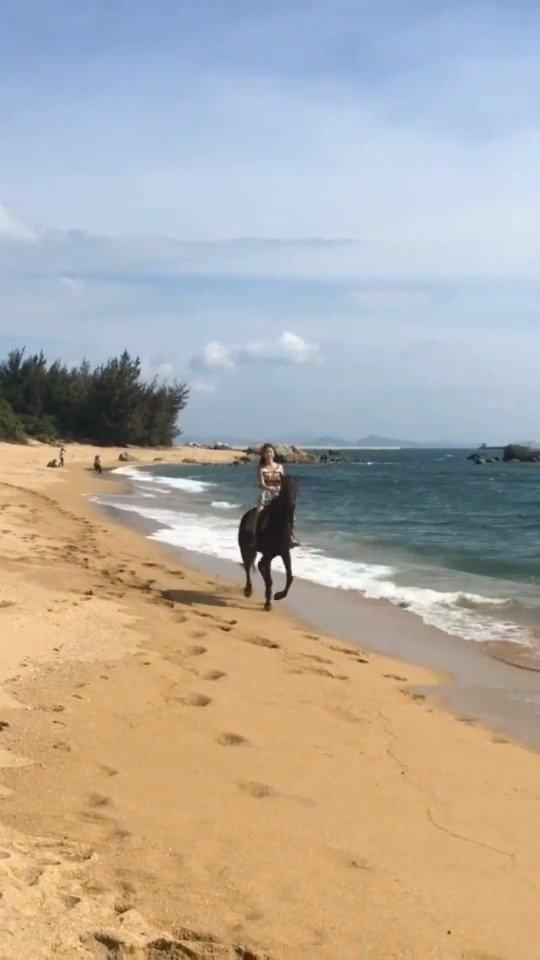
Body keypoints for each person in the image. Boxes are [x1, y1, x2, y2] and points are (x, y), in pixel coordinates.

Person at [255, 443, 298, 547]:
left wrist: (283, 489)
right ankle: (255, 537)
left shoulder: (280, 467)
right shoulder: (262, 469)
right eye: (267, 452)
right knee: (259, 512)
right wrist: (270, 488)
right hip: (266, 494)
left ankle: (290, 536)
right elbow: (261, 484)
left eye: (271, 452)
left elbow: (283, 481)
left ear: (274, 453)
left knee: (291, 514)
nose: (269, 454)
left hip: (279, 494)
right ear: (263, 454)